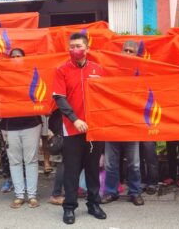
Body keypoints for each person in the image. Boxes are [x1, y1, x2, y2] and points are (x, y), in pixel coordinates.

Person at [53, 33, 106, 224]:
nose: (75, 49)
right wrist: (75, 120)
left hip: (94, 130)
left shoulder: (98, 70)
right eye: (72, 46)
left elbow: (107, 97)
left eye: (78, 46)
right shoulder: (61, 70)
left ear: (87, 48)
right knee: (72, 170)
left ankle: (94, 204)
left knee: (93, 168)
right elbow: (59, 98)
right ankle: (69, 207)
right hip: (72, 128)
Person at [101, 40, 144, 206]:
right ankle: (111, 192)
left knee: (134, 163)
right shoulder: (111, 71)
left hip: (132, 124)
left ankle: (135, 192)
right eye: (125, 50)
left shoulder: (142, 71)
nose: (127, 53)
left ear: (136, 54)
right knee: (111, 163)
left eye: (131, 51)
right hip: (112, 123)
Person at [0, 48, 42, 209]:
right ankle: (19, 195)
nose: (16, 59)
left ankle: (31, 195)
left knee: (31, 160)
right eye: (13, 57)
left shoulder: (32, 74)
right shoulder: (2, 77)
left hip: (31, 124)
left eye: (19, 56)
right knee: (15, 161)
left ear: (25, 59)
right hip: (9, 126)